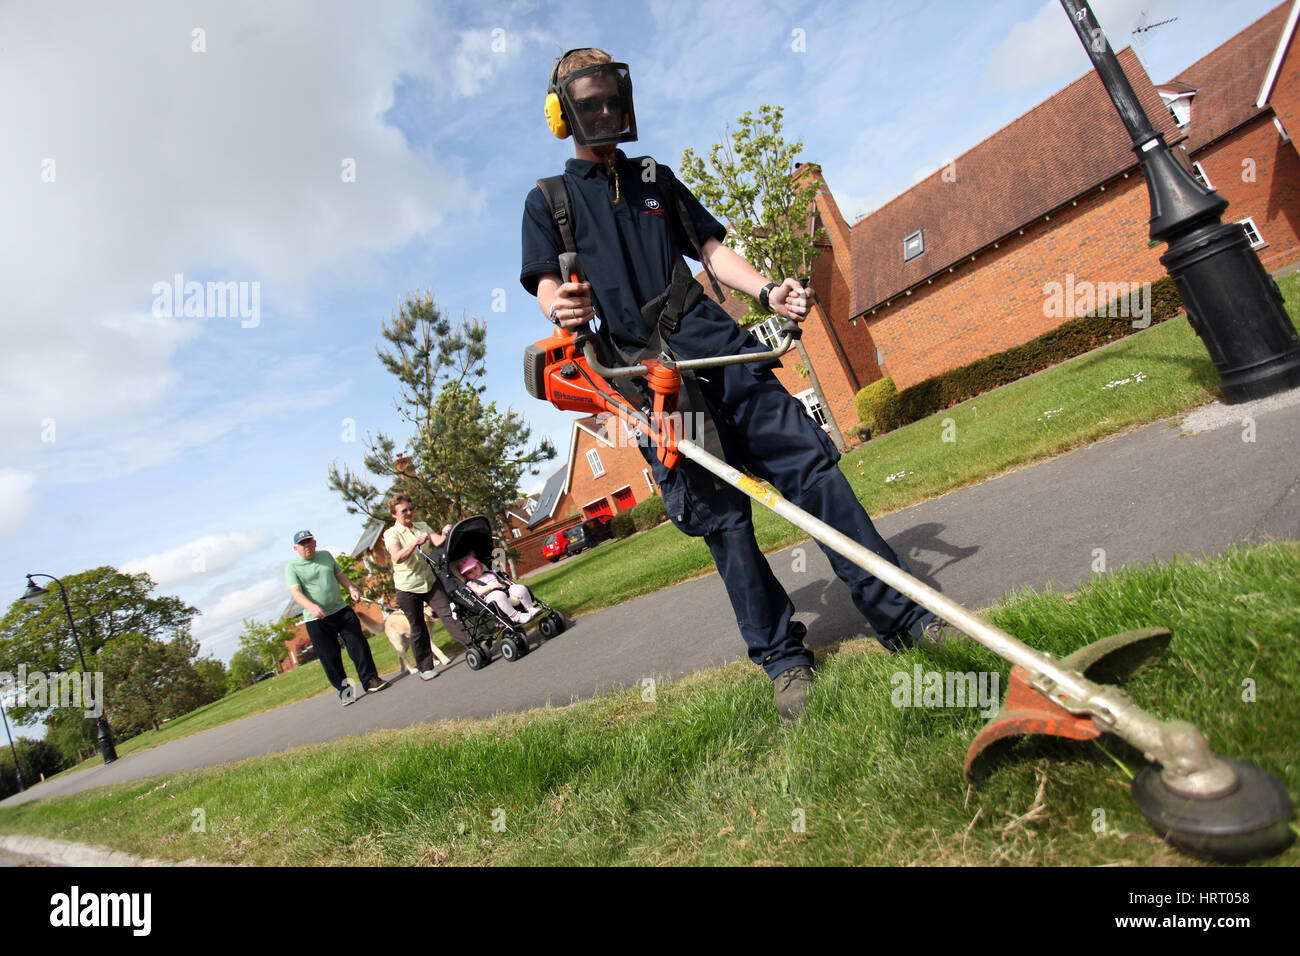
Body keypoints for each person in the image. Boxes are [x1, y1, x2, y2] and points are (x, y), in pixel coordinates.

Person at [520, 48, 946, 722]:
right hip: (652, 383)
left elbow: (712, 249)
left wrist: (767, 289)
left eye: (612, 98)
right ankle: (782, 659)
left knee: (815, 471)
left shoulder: (656, 177)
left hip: (719, 349)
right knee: (724, 522)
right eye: (590, 102)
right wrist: (559, 307)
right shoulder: (550, 201)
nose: (606, 111)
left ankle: (898, 615)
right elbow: (547, 283)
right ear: (562, 112)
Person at [285, 530, 388, 706]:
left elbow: (340, 575)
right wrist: (311, 606)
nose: (307, 546)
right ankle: (345, 691)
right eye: (302, 544)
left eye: (309, 542)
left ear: (315, 543)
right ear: (296, 548)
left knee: (358, 645)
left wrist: (352, 589)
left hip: (340, 610)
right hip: (316, 619)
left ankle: (370, 680)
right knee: (330, 657)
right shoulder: (292, 567)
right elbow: (296, 593)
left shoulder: (325, 556)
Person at [382, 495, 474, 679]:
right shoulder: (391, 534)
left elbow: (438, 542)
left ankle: (474, 643)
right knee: (418, 627)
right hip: (408, 588)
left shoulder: (422, 526)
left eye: (410, 508)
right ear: (394, 515)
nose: (409, 513)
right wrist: (414, 543)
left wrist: (446, 533)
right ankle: (425, 668)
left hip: (429, 581)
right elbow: (397, 557)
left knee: (448, 612)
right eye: (404, 511)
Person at [456, 554, 540, 624]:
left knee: (519, 588)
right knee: (498, 595)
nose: (474, 572)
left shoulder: (490, 573)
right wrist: (491, 586)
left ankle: (530, 608)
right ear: (465, 576)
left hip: (506, 592)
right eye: (470, 572)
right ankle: (515, 616)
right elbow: (478, 591)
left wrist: (505, 582)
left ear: (480, 566)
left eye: (475, 568)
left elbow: (500, 580)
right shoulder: (471, 583)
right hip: (491, 597)